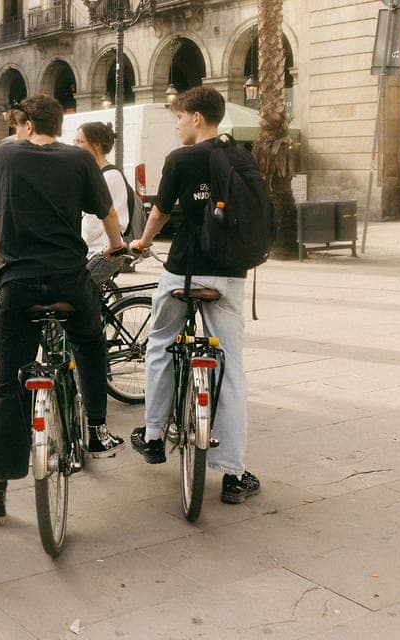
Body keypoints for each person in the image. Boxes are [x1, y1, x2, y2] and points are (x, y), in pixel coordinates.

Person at [0, 94, 126, 525]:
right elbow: (108, 211)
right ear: (60, 125)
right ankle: (96, 426)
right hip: (68, 280)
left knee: (9, 384)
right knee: (90, 342)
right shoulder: (80, 160)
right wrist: (116, 247)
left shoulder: (5, 155)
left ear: (26, 123)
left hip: (18, 284)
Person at [128, 86, 260, 505]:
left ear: (198, 118)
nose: (178, 124)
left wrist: (143, 242)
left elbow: (161, 210)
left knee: (162, 343)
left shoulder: (181, 159)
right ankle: (234, 475)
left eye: (180, 118)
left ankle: (152, 435)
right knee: (231, 367)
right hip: (230, 274)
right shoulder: (242, 156)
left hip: (185, 271)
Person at [73, 122, 130, 255]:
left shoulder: (109, 176)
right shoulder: (98, 173)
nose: (75, 146)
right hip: (96, 249)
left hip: (100, 251)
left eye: (79, 141)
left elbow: (93, 223)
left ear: (96, 144)